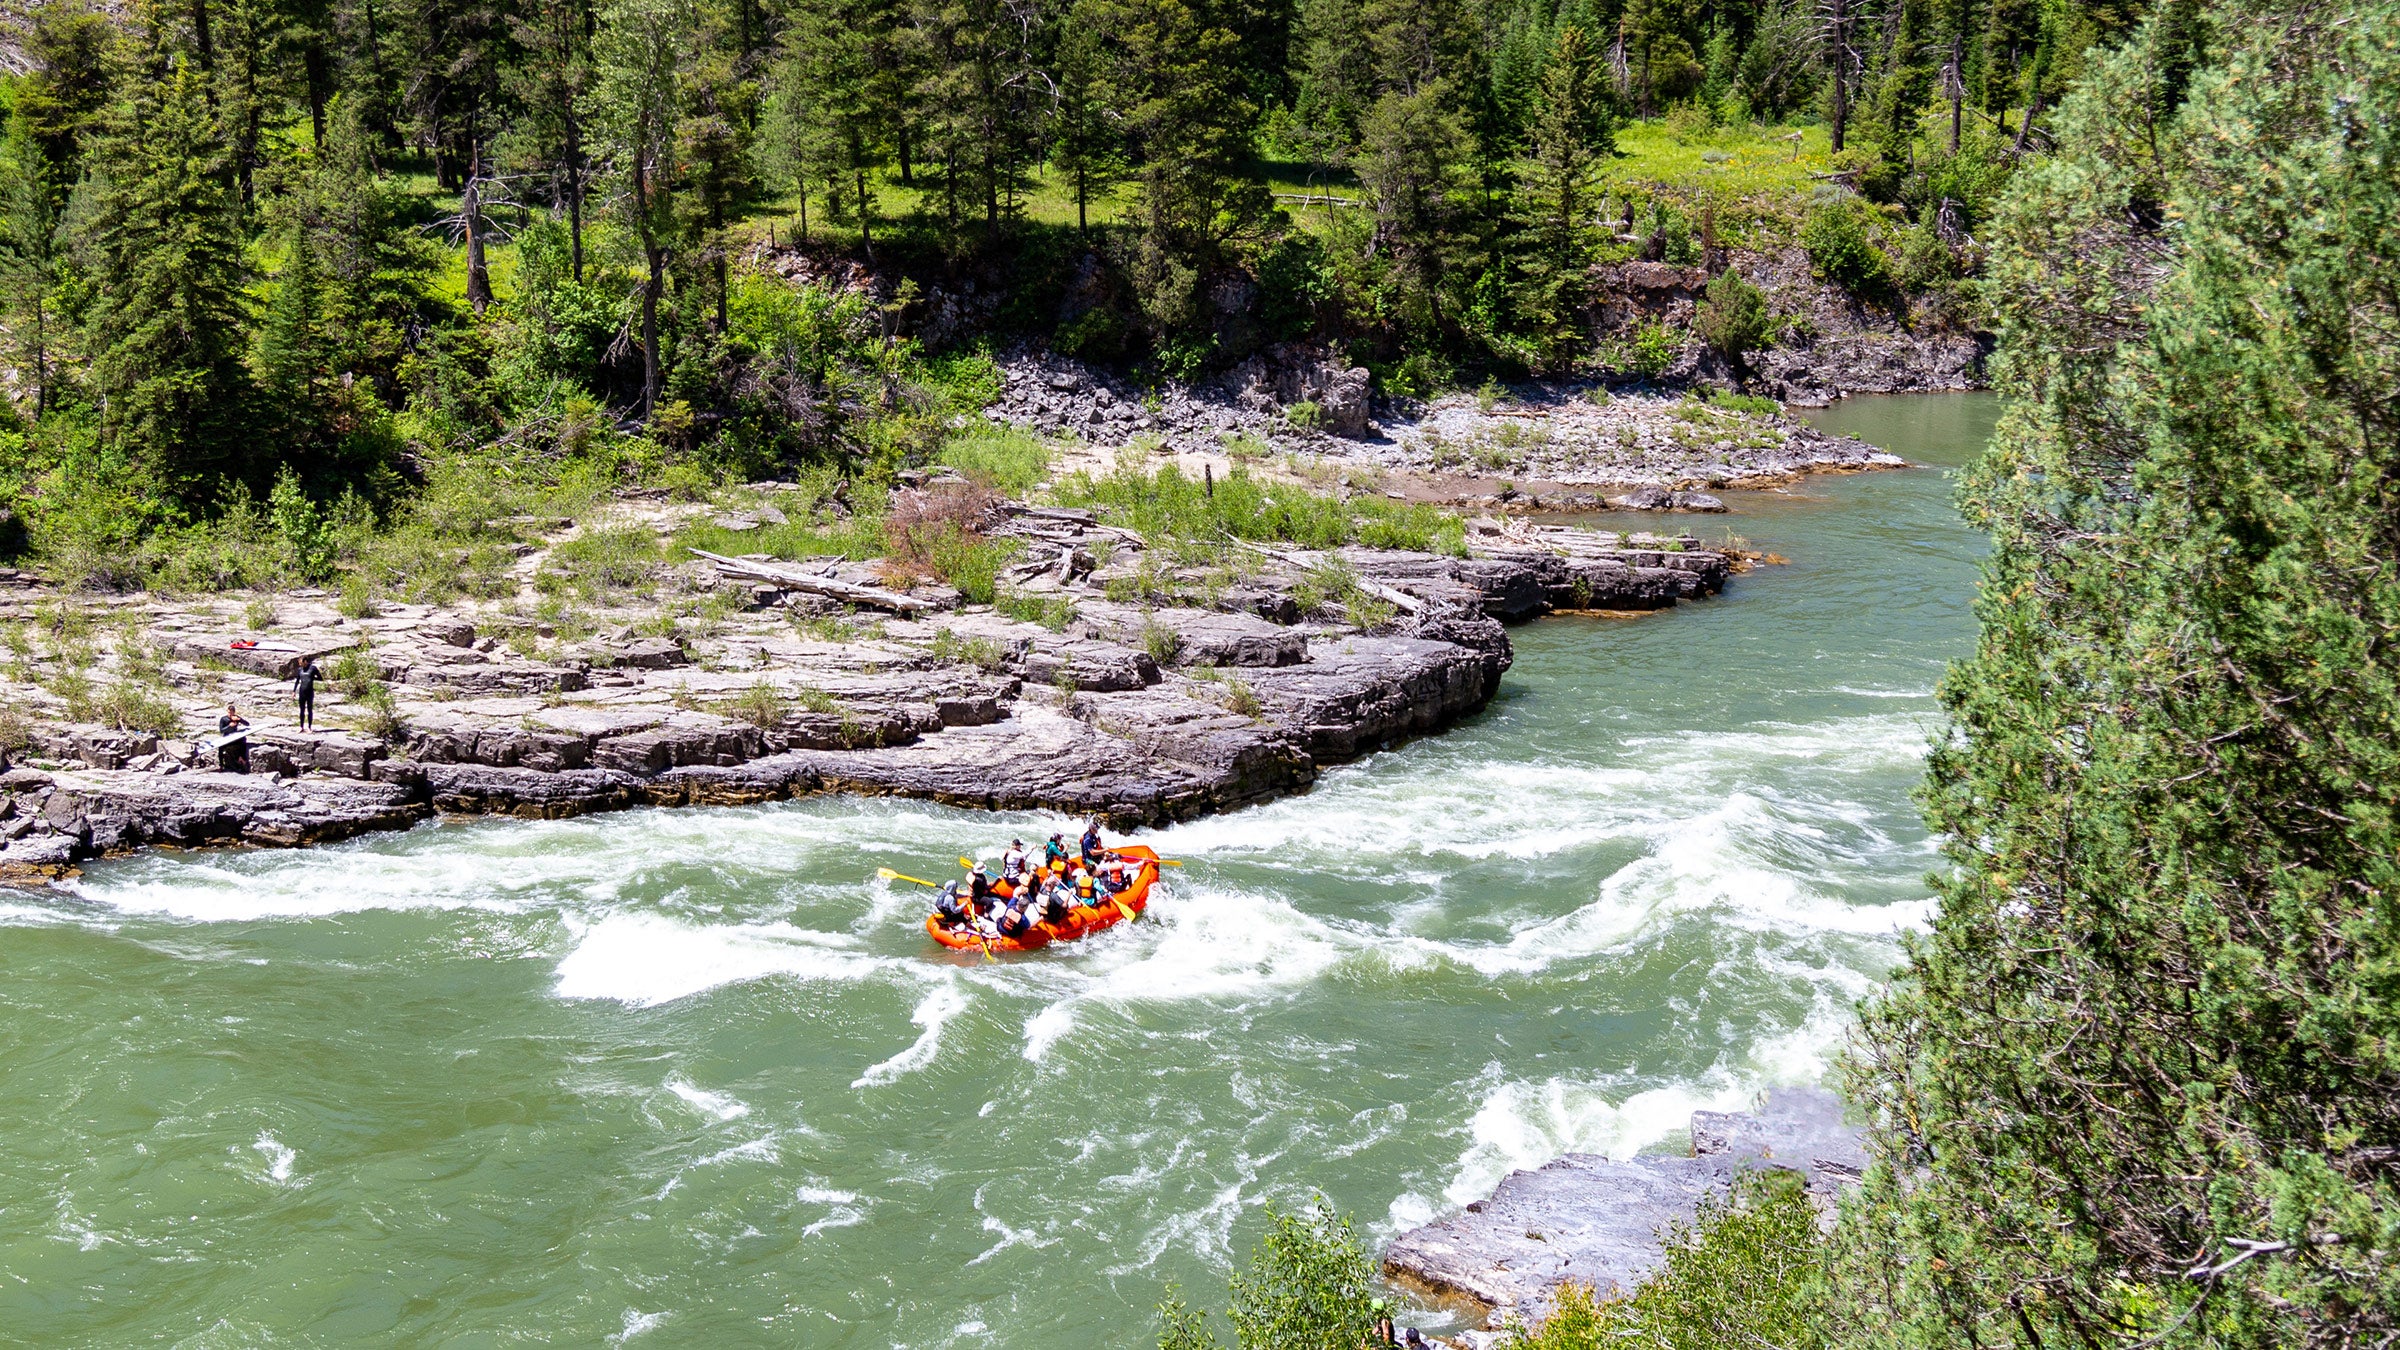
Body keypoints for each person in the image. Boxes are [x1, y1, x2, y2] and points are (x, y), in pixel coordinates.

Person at [215, 704, 251, 774]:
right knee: (220, 748)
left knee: (243, 740)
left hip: (235, 736)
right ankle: (221, 765)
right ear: (227, 711)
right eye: (229, 712)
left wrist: (240, 720)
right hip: (227, 737)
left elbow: (247, 724)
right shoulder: (223, 719)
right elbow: (221, 730)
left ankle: (242, 758)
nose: (230, 714)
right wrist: (229, 726)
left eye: (232, 712)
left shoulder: (236, 717)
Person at [291, 655, 320, 732]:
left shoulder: (313, 668)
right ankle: (301, 727)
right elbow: (297, 681)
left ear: (305, 661)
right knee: (302, 710)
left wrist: (312, 677)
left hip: (309, 691)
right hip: (302, 692)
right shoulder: (300, 670)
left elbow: (320, 678)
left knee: (309, 709)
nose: (300, 665)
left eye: (301, 663)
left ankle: (309, 727)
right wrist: (294, 691)